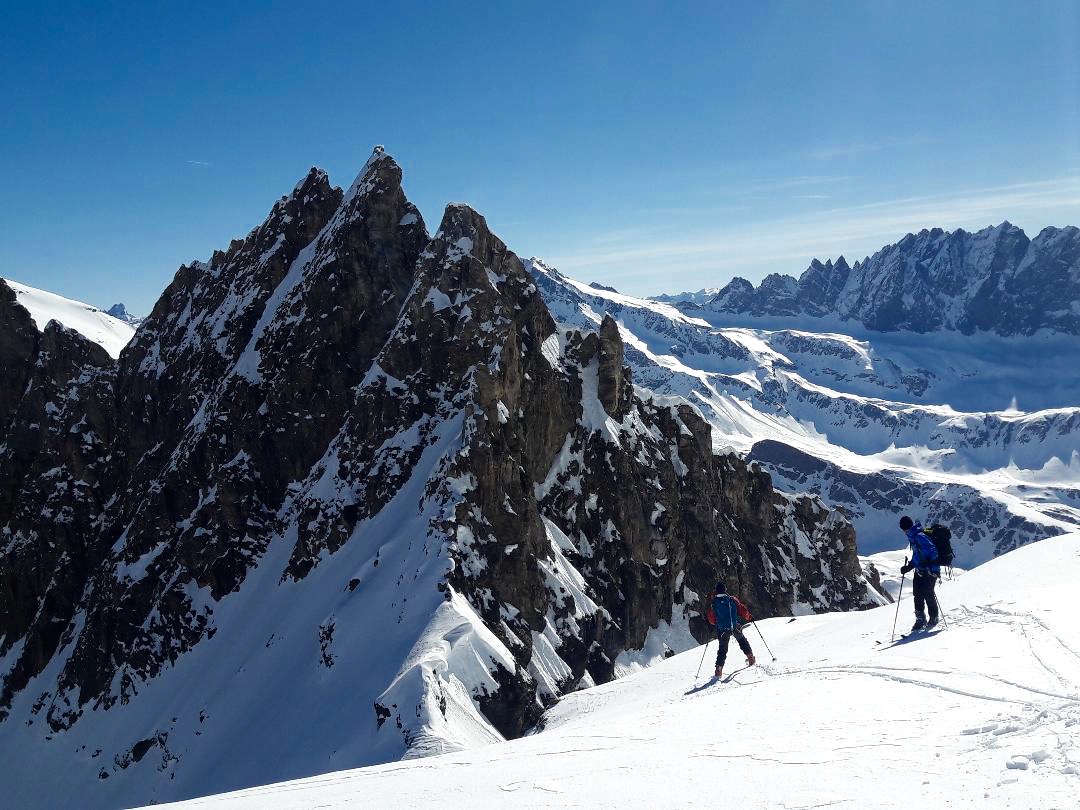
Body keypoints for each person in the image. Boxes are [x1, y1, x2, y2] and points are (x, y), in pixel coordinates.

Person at [898, 516, 940, 631]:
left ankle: (934, 617)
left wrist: (926, 562)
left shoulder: (919, 536)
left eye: (904, 529)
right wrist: (910, 566)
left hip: (931, 569)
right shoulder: (913, 536)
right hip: (920, 569)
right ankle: (920, 618)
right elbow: (918, 554)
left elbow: (933, 551)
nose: (904, 531)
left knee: (928, 593)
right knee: (917, 593)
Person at [708, 581, 755, 678]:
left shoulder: (714, 603)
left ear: (716, 591)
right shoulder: (732, 600)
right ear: (725, 590)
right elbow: (742, 610)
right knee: (742, 641)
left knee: (722, 650)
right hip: (734, 626)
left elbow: (712, 620)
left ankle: (719, 668)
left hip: (722, 630)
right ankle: (750, 657)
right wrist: (750, 617)